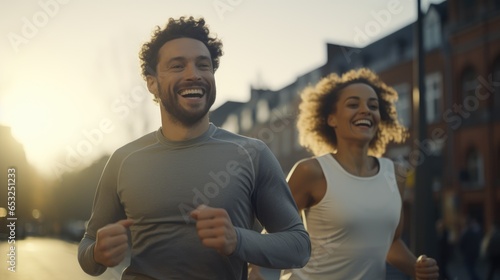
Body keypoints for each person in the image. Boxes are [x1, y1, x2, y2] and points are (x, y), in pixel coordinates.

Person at [78, 16, 310, 280]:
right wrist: (97, 253)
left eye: (204, 65)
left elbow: (299, 247)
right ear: (152, 82)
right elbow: (87, 247)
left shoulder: (252, 153)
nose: (194, 75)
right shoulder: (124, 160)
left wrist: (238, 240)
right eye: (178, 66)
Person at [281, 68, 439, 279]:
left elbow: (391, 243)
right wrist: (256, 270)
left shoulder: (395, 174)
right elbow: (275, 230)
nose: (365, 110)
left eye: (372, 106)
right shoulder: (311, 171)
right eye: (353, 104)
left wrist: (417, 268)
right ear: (331, 119)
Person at [459, 215, 482, 280]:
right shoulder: (473, 231)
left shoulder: (466, 232)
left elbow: (462, 243)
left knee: (470, 268)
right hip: (472, 253)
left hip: (468, 253)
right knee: (471, 267)